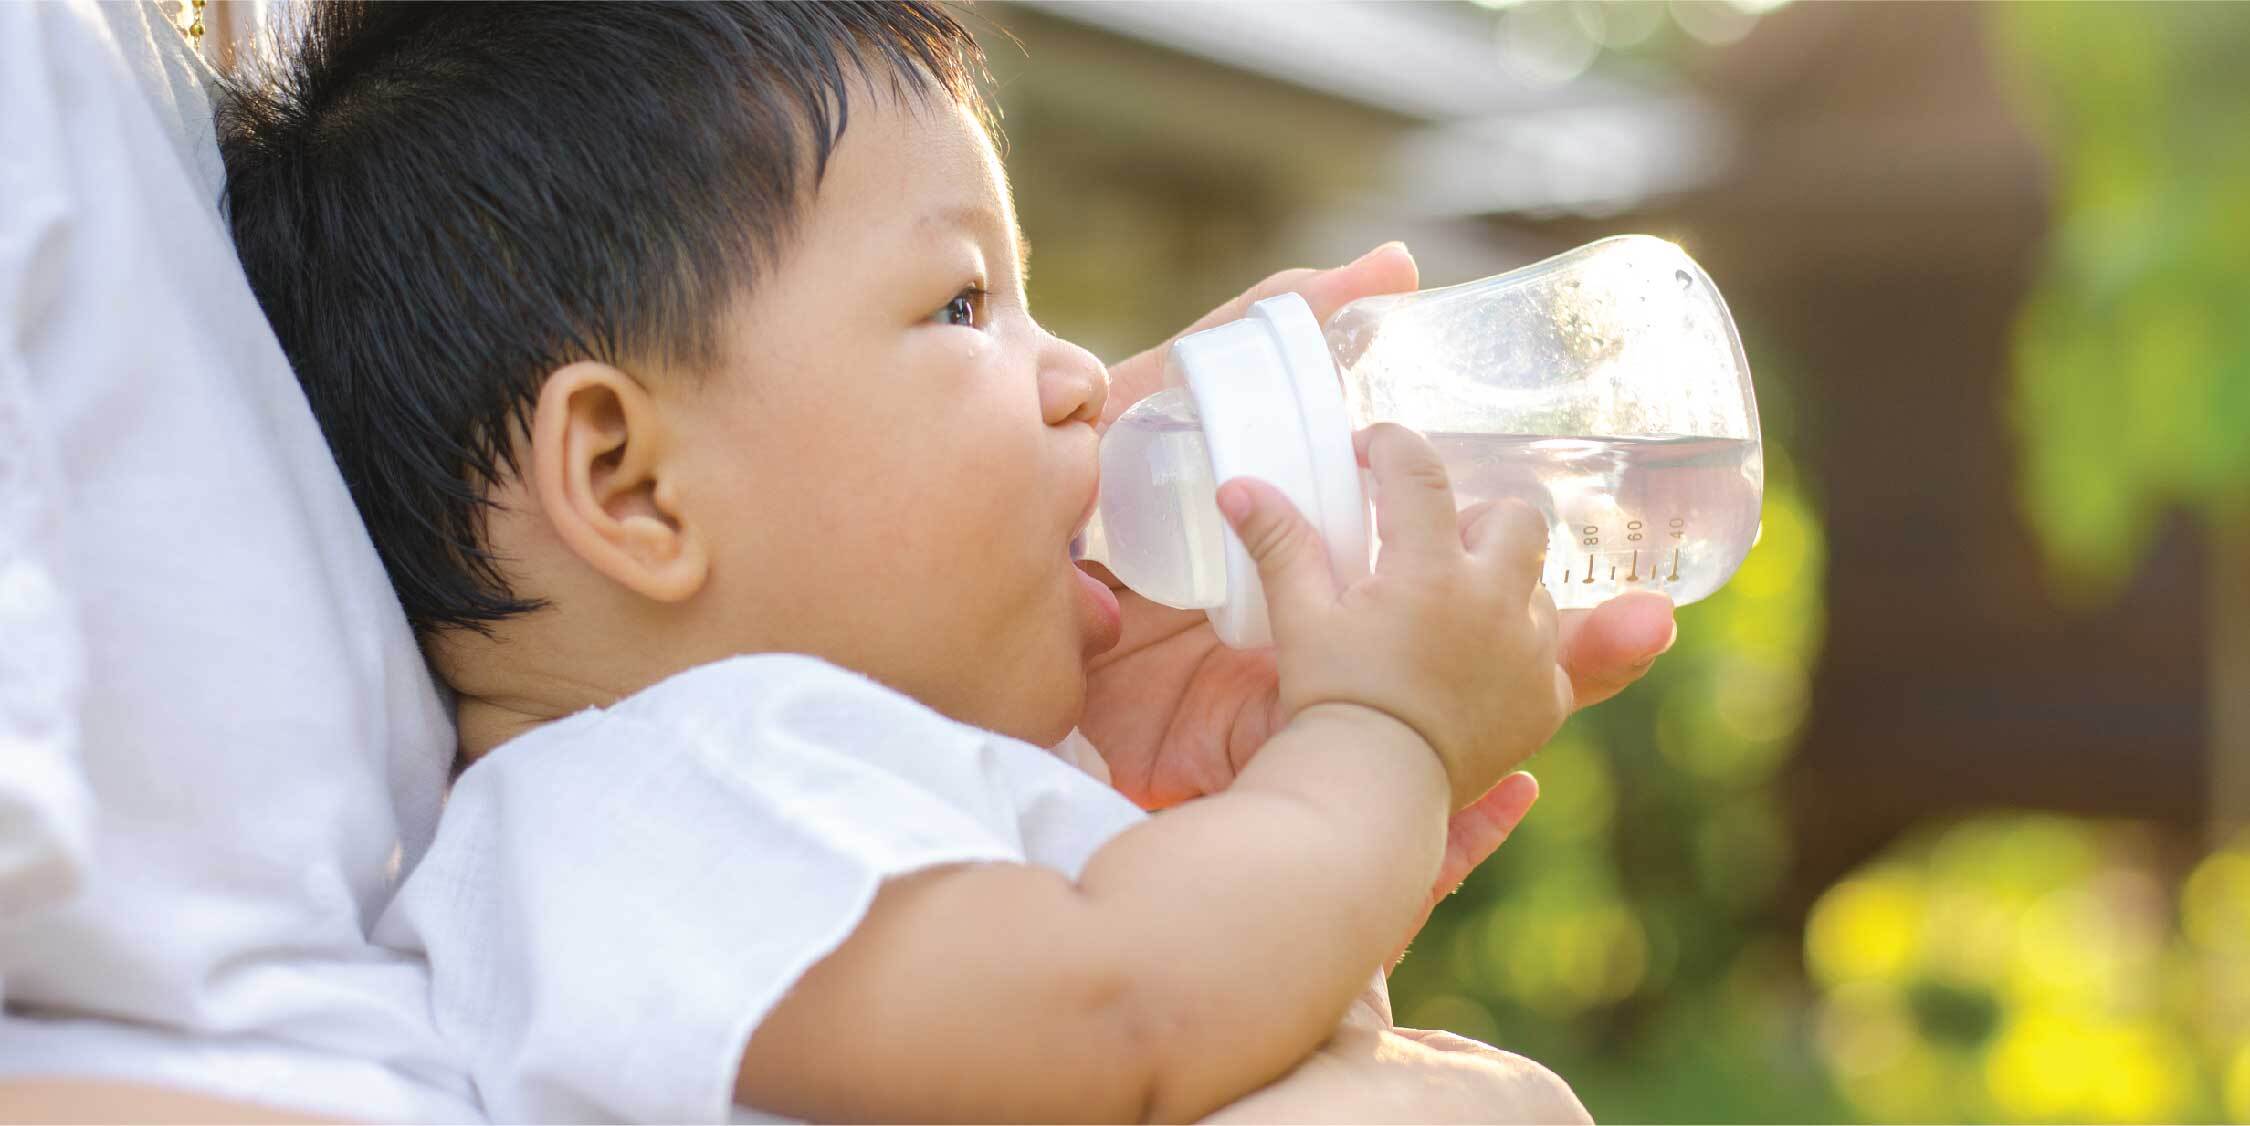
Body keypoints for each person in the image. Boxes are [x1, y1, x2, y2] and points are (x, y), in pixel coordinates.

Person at [206, 3, 1682, 1122]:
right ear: (629, 482)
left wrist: (1296, 893)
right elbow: (1116, 1022)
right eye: (966, 306)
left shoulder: (818, 786)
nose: (1086, 379)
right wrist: (1383, 739)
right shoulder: (634, 799)